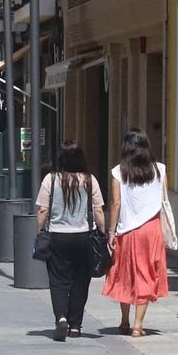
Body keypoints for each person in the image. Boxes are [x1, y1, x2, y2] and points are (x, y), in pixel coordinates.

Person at [36, 140, 106, 341]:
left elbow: (42, 210)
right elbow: (99, 210)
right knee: (80, 281)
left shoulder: (50, 179)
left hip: (57, 236)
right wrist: (104, 233)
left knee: (58, 280)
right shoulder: (90, 180)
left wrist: (40, 231)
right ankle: (75, 325)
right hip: (83, 235)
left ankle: (61, 317)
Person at [103, 128, 170, 337]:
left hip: (127, 230)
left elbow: (115, 203)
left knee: (125, 273)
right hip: (152, 229)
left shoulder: (118, 172)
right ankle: (138, 325)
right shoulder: (160, 169)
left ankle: (124, 320)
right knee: (147, 272)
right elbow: (164, 200)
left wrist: (111, 231)